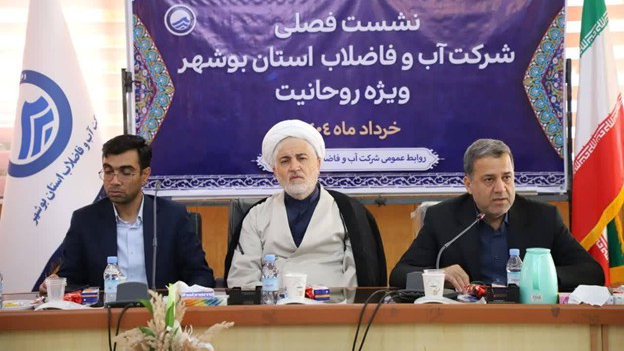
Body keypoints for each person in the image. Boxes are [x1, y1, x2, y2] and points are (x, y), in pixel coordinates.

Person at [389, 138, 604, 291]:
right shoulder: (442, 218)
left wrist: (541, 277)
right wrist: (439, 275)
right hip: (465, 320)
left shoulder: (543, 217)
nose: (501, 189)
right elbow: (399, 275)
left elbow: (592, 272)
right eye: (489, 180)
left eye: (507, 177)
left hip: (528, 317)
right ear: (468, 185)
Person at [41, 134, 214, 292]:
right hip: (105, 313)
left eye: (125, 173)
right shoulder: (85, 220)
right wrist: (56, 283)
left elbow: (201, 275)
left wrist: (181, 298)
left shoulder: (173, 217)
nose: (114, 181)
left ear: (144, 175)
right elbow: (70, 279)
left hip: (160, 312)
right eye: (108, 172)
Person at [226, 119, 386, 288]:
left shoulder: (348, 212)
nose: (294, 167)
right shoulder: (257, 215)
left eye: (302, 158)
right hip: (273, 303)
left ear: (317, 163)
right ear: (275, 171)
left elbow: (360, 278)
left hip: (334, 302)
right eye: (285, 161)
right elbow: (243, 278)